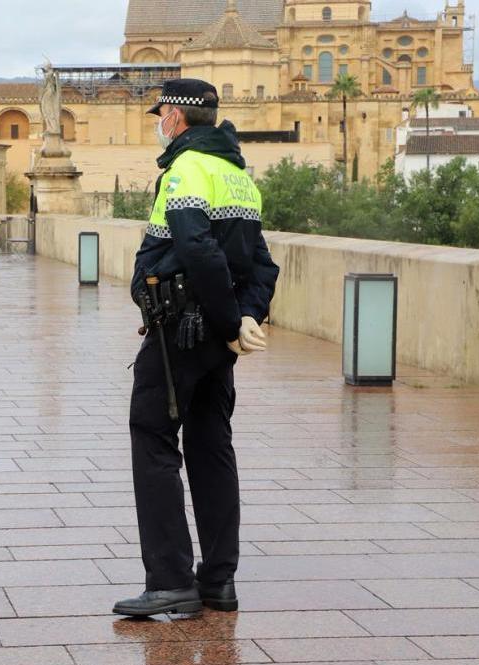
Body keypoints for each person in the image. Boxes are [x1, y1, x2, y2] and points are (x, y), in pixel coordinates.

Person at [113, 79, 279, 617]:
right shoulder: (238, 176)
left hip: (181, 330)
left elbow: (196, 248)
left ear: (178, 119)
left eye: (161, 113)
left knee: (153, 437)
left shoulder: (185, 170)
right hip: (217, 338)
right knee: (211, 447)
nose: (158, 121)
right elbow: (262, 264)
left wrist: (232, 321)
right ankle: (218, 581)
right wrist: (247, 315)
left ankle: (169, 580)